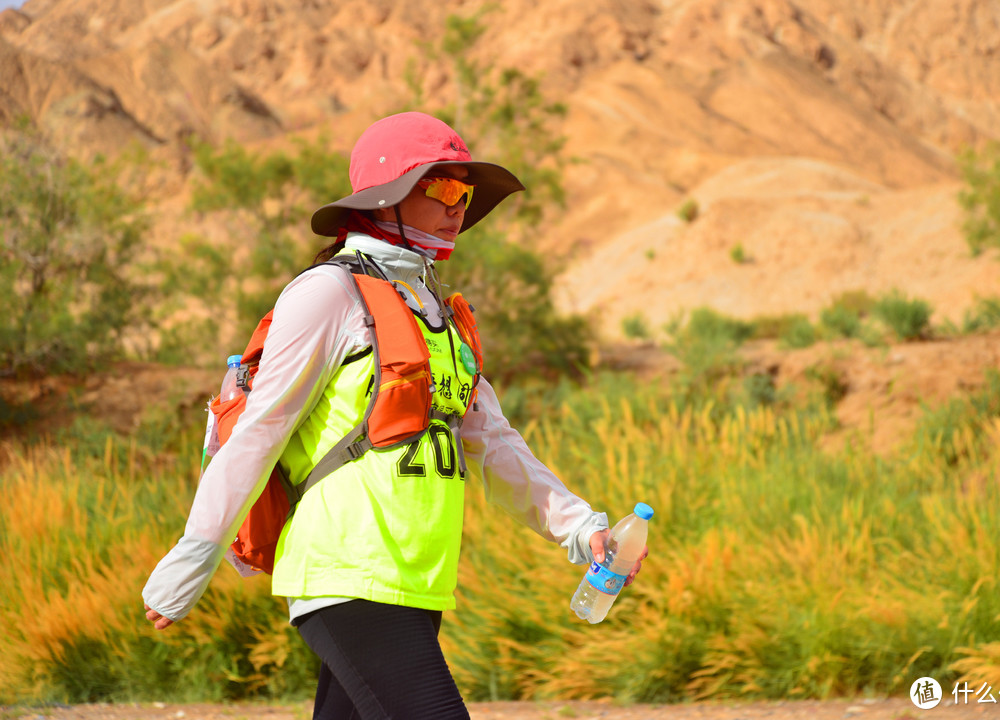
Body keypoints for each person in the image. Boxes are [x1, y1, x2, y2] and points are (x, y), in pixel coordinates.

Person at [142, 111, 648, 720]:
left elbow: (494, 443)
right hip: (347, 572)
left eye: (466, 191)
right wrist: (192, 559)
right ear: (384, 200)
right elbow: (261, 432)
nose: (459, 204)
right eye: (441, 187)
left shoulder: (436, 312)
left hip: (416, 582)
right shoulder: (327, 293)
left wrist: (580, 527)